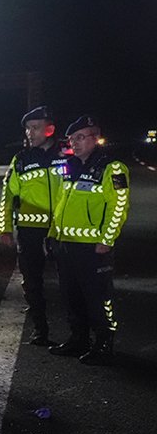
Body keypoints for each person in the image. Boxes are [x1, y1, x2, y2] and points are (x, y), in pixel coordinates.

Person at [48, 116, 130, 365]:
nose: (76, 142)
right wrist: (53, 235)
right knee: (71, 295)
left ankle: (104, 342)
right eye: (73, 138)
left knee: (99, 297)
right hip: (66, 244)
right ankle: (79, 339)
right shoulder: (71, 166)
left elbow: (119, 207)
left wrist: (107, 240)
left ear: (96, 137)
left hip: (93, 248)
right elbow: (61, 205)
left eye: (82, 137)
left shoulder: (111, 168)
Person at [0, 106, 68, 345]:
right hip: (30, 232)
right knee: (32, 283)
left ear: (50, 129)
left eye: (35, 127)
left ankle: (78, 335)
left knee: (70, 281)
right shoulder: (21, 160)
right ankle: (40, 329)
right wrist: (4, 227)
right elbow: (8, 195)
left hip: (63, 231)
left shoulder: (68, 156)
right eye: (27, 129)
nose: (30, 133)